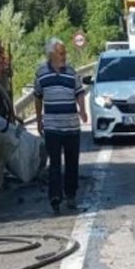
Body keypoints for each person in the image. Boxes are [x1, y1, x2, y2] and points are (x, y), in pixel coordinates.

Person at [34, 38, 89, 213]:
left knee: (72, 162)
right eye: (61, 53)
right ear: (51, 54)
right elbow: (37, 96)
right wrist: (38, 119)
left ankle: (71, 195)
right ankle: (55, 198)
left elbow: (79, 92)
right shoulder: (41, 73)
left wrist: (82, 110)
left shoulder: (71, 73)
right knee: (55, 163)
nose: (64, 56)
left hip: (71, 126)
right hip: (52, 127)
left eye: (65, 53)